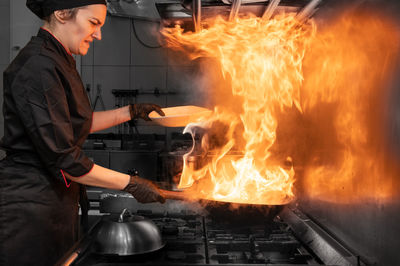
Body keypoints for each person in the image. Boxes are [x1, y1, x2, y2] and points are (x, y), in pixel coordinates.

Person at [0, 1, 166, 265]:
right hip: (29, 207)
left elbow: (75, 124)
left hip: (52, 200)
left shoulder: (59, 58)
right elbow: (65, 160)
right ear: (62, 13)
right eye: (93, 23)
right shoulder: (38, 66)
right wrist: (130, 183)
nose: (98, 34)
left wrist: (131, 111)